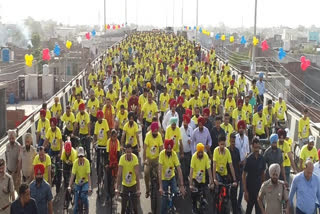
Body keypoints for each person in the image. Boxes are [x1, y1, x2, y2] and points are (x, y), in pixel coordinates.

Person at [158, 139, 186, 214]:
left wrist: (182, 185)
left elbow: (179, 169)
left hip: (172, 177)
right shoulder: (161, 154)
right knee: (164, 199)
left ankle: (175, 209)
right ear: (165, 148)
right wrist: (160, 187)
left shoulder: (174, 154)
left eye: (170, 149)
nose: (169, 150)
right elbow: (160, 171)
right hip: (164, 179)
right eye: (168, 149)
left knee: (176, 193)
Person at [243, 138, 266, 214]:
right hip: (250, 190)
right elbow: (243, 175)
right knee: (248, 210)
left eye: (258, 147)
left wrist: (264, 190)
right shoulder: (248, 159)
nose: (256, 149)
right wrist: (245, 191)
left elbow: (263, 174)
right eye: (255, 147)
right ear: (252, 147)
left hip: (259, 190)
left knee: (259, 210)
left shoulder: (262, 159)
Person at [115, 144, 140, 214]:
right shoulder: (122, 158)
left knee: (135, 208)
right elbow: (119, 174)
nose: (128, 154)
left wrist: (138, 189)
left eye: (130, 152)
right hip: (125, 185)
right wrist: (117, 188)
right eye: (127, 152)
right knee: (123, 208)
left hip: (133, 185)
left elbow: (137, 174)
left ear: (131, 151)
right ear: (125, 151)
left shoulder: (135, 158)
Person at [189, 143, 213, 213]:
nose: (200, 154)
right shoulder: (193, 157)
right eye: (199, 152)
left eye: (201, 152)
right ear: (197, 152)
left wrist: (211, 182)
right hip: (195, 179)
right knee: (193, 194)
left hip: (202, 179)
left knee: (204, 194)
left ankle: (203, 205)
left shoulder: (205, 156)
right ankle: (193, 205)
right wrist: (190, 184)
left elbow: (209, 169)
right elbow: (191, 170)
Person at [68, 147, 92, 214]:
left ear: (84, 156)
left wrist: (90, 187)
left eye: (82, 156)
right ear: (78, 156)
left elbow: (88, 175)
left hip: (85, 183)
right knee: (75, 206)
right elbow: (72, 175)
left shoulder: (87, 162)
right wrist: (69, 186)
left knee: (83, 196)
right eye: (79, 156)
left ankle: (87, 210)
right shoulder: (75, 162)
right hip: (77, 183)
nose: (81, 158)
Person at [143, 122, 163, 198]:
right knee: (146, 173)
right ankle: (147, 190)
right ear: (151, 130)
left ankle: (159, 186)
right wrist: (145, 160)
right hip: (148, 159)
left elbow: (161, 149)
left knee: (159, 173)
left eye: (156, 131)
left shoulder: (159, 136)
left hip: (157, 158)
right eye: (154, 131)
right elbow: (144, 149)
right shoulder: (148, 136)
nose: (155, 132)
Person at [235, 120, 249, 211]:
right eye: (239, 128)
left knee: (242, 186)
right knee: (235, 185)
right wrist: (238, 162)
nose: (241, 129)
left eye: (242, 128)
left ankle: (239, 204)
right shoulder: (235, 137)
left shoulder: (247, 138)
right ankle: (234, 202)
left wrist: (245, 160)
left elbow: (247, 151)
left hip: (244, 165)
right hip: (236, 165)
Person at [105, 129, 121, 200]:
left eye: (116, 136)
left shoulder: (118, 142)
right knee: (108, 177)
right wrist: (107, 164)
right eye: (113, 136)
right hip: (110, 161)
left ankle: (117, 189)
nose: (115, 138)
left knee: (117, 176)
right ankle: (108, 193)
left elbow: (118, 153)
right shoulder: (108, 141)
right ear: (111, 136)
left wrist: (119, 163)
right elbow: (107, 153)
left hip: (116, 161)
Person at [228, 133, 241, 214]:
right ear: (229, 141)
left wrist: (237, 177)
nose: (233, 143)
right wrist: (228, 175)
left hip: (235, 177)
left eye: (234, 141)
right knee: (227, 197)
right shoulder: (227, 150)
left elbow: (238, 163)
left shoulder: (237, 150)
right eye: (232, 141)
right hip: (228, 177)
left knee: (234, 196)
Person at [94, 110, 110, 174]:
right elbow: (95, 134)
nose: (99, 119)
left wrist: (109, 141)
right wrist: (94, 143)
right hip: (99, 144)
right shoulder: (96, 124)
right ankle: (98, 174)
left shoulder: (105, 122)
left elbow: (108, 132)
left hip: (105, 144)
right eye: (98, 117)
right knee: (98, 159)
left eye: (100, 117)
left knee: (106, 160)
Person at [180, 114, 193, 186]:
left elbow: (192, 138)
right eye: (184, 122)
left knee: (188, 166)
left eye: (186, 122)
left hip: (189, 151)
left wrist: (190, 140)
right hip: (182, 151)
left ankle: (187, 178)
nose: (185, 123)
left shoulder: (191, 129)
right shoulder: (180, 129)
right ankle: (184, 180)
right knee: (183, 167)